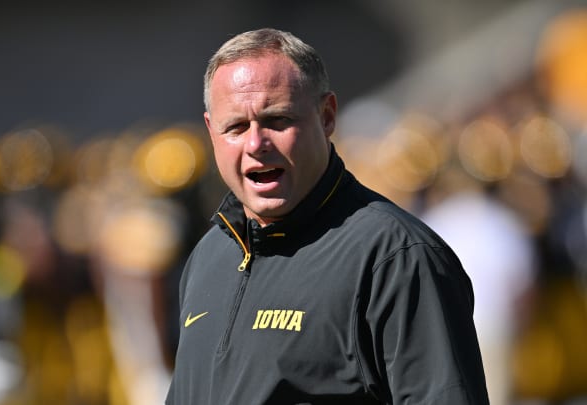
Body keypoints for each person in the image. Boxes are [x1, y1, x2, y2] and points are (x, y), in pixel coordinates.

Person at [166, 28, 489, 404]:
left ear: (327, 116)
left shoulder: (396, 257)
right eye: (236, 127)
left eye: (277, 120)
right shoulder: (210, 254)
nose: (256, 144)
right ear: (211, 132)